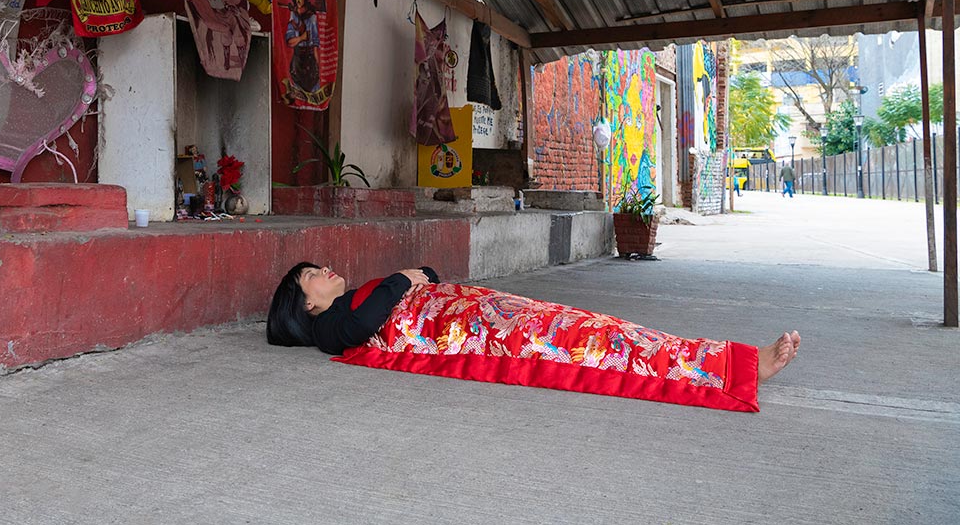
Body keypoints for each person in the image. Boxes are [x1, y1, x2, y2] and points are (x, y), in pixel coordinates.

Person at [267, 263, 800, 413]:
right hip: (480, 334)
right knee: (597, 344)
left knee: (601, 329)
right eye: (312, 274)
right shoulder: (328, 327)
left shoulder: (357, 294)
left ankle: (734, 362)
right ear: (306, 304)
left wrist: (414, 277)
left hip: (484, 312)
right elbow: (363, 328)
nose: (326, 270)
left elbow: (415, 281)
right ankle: (734, 368)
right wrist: (401, 281)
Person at [284, 0, 320, 93]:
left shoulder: (312, 17)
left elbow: (315, 44)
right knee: (297, 89)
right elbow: (290, 42)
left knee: (313, 88)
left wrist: (317, 63)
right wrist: (301, 38)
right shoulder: (293, 17)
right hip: (297, 61)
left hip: (310, 61)